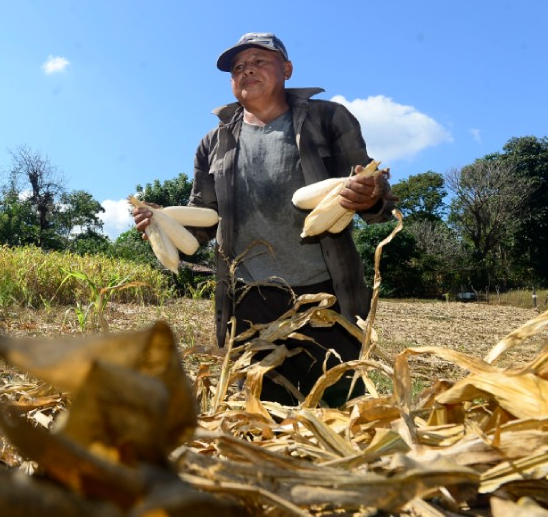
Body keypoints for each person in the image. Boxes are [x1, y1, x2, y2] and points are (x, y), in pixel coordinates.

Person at [133, 32, 395, 407]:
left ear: (286, 69)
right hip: (249, 298)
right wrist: (160, 223)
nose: (247, 71)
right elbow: (203, 222)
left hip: (325, 295)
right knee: (261, 413)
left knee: (340, 406)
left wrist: (371, 194)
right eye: (238, 68)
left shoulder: (329, 118)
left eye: (259, 61)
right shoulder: (213, 142)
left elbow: (371, 190)